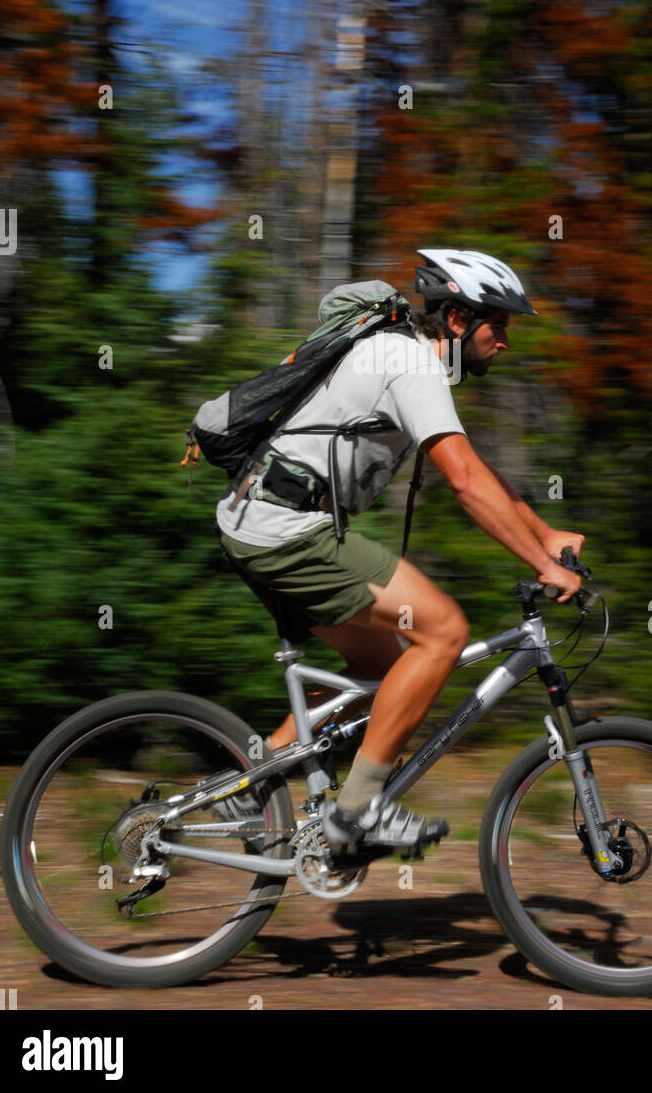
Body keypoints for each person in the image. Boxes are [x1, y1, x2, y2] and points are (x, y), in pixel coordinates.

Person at [215, 248, 584, 855]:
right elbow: (465, 481)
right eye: (500, 326)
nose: (507, 342)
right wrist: (543, 566)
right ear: (460, 320)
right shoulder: (408, 360)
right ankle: (357, 811)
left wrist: (543, 534)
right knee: (441, 632)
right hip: (284, 527)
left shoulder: (403, 354)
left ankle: (250, 788)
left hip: (261, 519)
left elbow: (474, 474)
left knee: (380, 675)